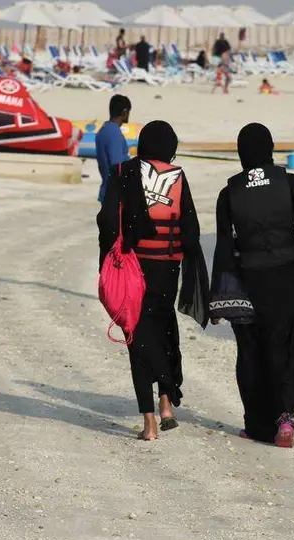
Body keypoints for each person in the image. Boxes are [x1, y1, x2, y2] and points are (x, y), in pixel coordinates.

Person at [210, 123, 294, 448]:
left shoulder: (228, 193)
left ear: (242, 154)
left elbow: (222, 248)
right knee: (286, 346)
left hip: (247, 281)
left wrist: (219, 296)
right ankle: (285, 417)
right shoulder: (290, 184)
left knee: (251, 352)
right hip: (285, 278)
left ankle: (255, 426)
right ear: (270, 149)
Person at [97, 121, 209, 441]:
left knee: (137, 337)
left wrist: (107, 260)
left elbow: (106, 220)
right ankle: (166, 402)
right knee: (162, 329)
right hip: (167, 269)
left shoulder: (124, 173)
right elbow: (190, 228)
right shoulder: (177, 176)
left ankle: (149, 423)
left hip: (133, 267)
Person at [96, 95, 132, 203]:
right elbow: (117, 166)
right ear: (124, 112)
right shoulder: (114, 133)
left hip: (107, 190)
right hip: (115, 195)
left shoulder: (103, 130)